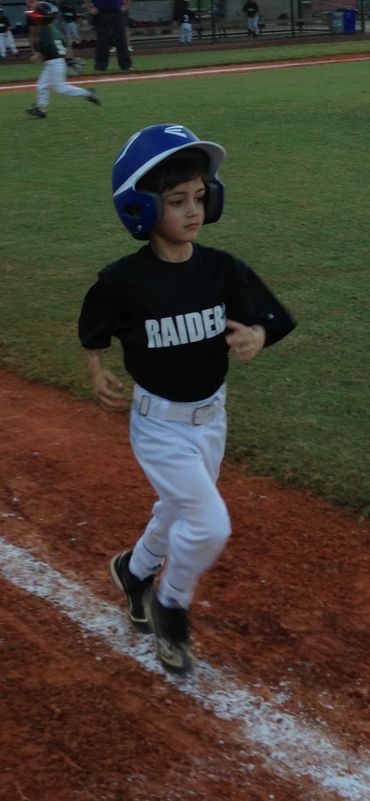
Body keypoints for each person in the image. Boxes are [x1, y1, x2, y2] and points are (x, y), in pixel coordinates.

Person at [78, 123, 296, 676]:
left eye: (200, 197)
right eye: (176, 201)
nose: (192, 210)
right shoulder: (124, 280)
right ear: (142, 210)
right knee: (211, 524)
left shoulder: (221, 269)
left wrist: (258, 335)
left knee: (179, 508)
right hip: (158, 426)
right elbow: (95, 323)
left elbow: (270, 313)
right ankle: (170, 603)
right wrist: (97, 367)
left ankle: (135, 568)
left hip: (211, 419)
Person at [25, 2, 100, 119]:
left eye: (36, 15)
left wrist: (36, 57)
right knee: (42, 85)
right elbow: (64, 43)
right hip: (56, 62)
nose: (34, 17)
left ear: (42, 18)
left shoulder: (45, 34)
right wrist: (68, 59)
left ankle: (89, 93)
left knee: (61, 88)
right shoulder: (52, 29)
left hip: (54, 63)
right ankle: (41, 109)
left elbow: (41, 55)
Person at [85, 0, 132, 72]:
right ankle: (100, 66)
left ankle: (126, 65)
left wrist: (126, 6)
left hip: (117, 11)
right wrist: (90, 7)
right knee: (102, 40)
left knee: (121, 39)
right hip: (100, 12)